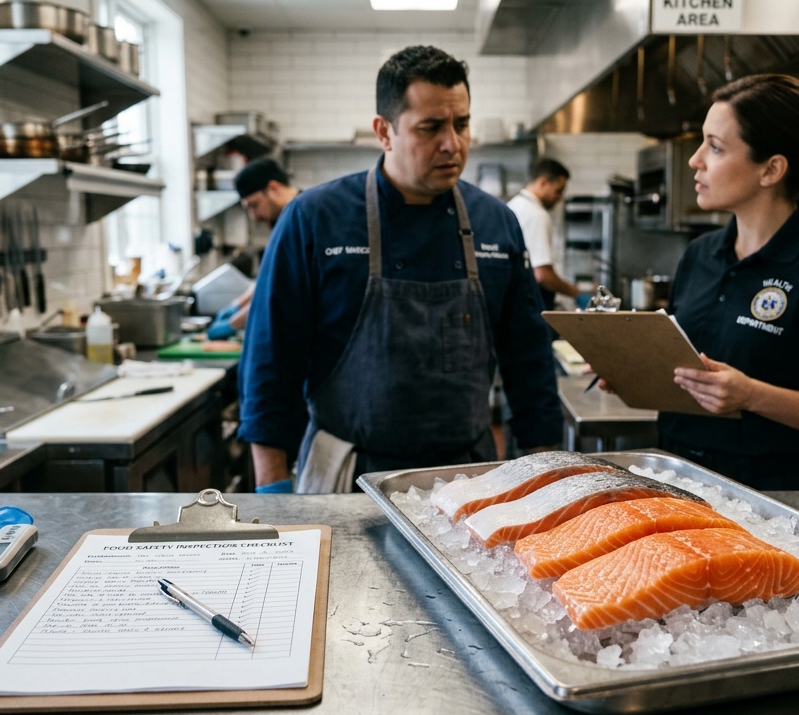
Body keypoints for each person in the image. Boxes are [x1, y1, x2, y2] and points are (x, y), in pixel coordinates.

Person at [237, 45, 562, 493]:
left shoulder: (496, 222)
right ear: (384, 132)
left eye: (461, 124)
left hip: (469, 477)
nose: (452, 144)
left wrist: (546, 473)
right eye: (430, 128)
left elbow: (529, 363)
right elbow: (271, 360)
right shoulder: (315, 218)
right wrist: (272, 488)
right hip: (347, 475)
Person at [608, 73, 799, 491]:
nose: (695, 160)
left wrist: (751, 395)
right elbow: (692, 372)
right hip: (678, 477)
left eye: (715, 147)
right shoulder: (700, 254)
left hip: (777, 493)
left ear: (771, 169)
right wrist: (632, 370)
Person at [208, 159, 300, 340]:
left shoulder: (302, 218)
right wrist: (238, 304)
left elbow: (281, 290)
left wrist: (233, 323)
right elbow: (271, 278)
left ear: (273, 188)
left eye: (254, 205)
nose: (254, 216)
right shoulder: (286, 218)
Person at [508, 157, 578, 309]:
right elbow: (542, 275)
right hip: (531, 305)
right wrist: (573, 291)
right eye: (558, 191)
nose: (560, 198)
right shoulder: (536, 215)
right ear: (543, 182)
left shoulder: (513, 205)